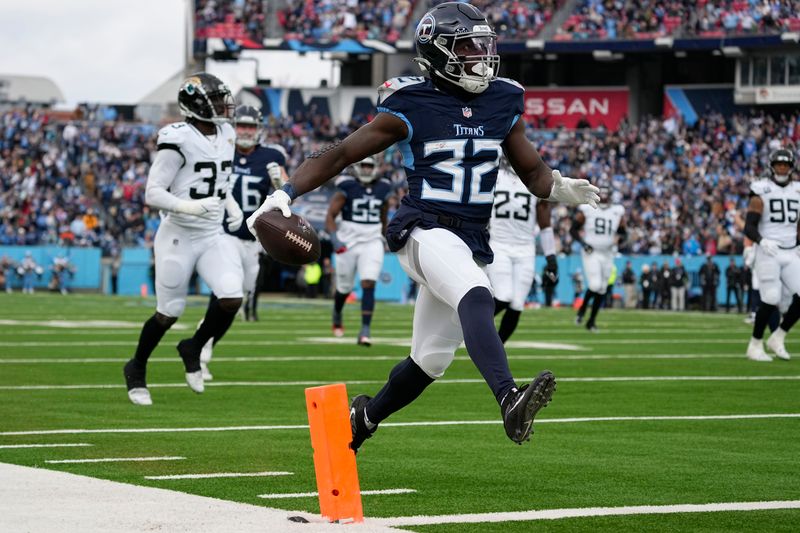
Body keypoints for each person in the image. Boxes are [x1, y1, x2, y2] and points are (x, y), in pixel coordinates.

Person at [246, 2, 599, 451]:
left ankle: (363, 419)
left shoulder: (501, 100)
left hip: (470, 238)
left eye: (483, 45)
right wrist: (283, 196)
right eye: (468, 47)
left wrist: (560, 188)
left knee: (430, 359)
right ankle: (509, 399)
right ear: (437, 53)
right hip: (423, 229)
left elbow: (532, 173)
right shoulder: (410, 103)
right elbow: (339, 155)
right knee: (477, 291)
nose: (480, 55)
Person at [122, 73, 245, 406]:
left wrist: (231, 205)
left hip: (211, 233)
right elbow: (153, 192)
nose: (224, 105)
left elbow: (221, 182)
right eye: (217, 100)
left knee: (232, 296)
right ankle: (136, 367)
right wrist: (189, 207)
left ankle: (193, 346)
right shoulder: (178, 138)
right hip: (178, 234)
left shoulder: (227, 133)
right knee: (168, 312)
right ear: (196, 105)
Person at [196, 105, 289, 380]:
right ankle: (199, 352)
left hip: (254, 241)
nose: (246, 130)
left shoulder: (272, 156)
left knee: (237, 301)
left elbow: (287, 192)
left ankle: (201, 343)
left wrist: (279, 182)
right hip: (223, 235)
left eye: (250, 126)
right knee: (228, 291)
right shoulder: (221, 151)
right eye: (242, 125)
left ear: (258, 128)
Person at [487, 159, 557, 343]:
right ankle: (467, 322)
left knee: (517, 304)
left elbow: (545, 224)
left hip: (526, 249)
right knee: (503, 296)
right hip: (499, 244)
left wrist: (551, 257)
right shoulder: (494, 176)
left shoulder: (535, 181)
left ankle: (496, 348)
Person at [326, 156, 393, 346]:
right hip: (348, 241)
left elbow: (383, 218)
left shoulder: (384, 187)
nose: (365, 169)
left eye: (369, 166)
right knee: (344, 288)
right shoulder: (346, 185)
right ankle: (337, 312)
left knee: (369, 282)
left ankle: (365, 330)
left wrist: (388, 237)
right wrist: (334, 238)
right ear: (357, 167)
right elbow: (330, 215)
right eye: (363, 165)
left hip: (372, 241)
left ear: (375, 168)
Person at [744, 148, 800, 361]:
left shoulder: (797, 190)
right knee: (771, 297)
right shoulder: (761, 190)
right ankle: (755, 344)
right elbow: (749, 226)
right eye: (779, 164)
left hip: (790, 251)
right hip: (769, 251)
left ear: (791, 167)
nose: (782, 168)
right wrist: (760, 240)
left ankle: (778, 336)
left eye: (785, 164)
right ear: (772, 166)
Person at [571, 186, 625, 331]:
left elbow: (623, 232)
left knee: (602, 289)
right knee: (595, 285)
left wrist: (619, 240)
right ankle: (582, 310)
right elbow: (573, 229)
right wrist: (583, 244)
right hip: (592, 252)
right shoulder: (587, 209)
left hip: (608, 253)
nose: (604, 198)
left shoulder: (617, 211)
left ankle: (591, 321)